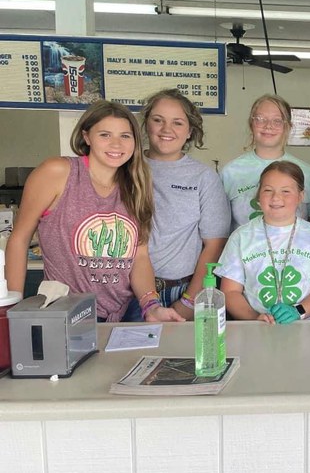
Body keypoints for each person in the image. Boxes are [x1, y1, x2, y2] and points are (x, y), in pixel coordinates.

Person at [5, 100, 184, 322]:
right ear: (87, 136)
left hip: (127, 311)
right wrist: (12, 309)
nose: (116, 144)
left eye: (125, 136)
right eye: (105, 135)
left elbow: (139, 256)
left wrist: (151, 305)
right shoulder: (58, 172)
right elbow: (19, 239)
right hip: (68, 312)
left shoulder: (138, 183)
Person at [131, 88, 230, 321]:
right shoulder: (127, 168)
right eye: (158, 120)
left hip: (181, 290)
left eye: (177, 123)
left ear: (189, 132)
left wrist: (189, 300)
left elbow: (214, 245)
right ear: (146, 125)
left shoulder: (203, 177)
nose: (167, 130)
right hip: (127, 291)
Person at [216, 161, 310, 323]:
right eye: (268, 190)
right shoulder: (241, 237)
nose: (276, 197)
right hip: (257, 330)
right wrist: (255, 318)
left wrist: (298, 311)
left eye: (286, 191)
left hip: (306, 328)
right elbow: (230, 292)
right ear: (258, 195)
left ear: (300, 196)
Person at [220, 94, 310, 230]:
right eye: (260, 119)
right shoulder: (230, 172)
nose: (268, 126)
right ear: (251, 124)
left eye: (277, 121)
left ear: (288, 126)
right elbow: (219, 228)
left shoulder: (309, 174)